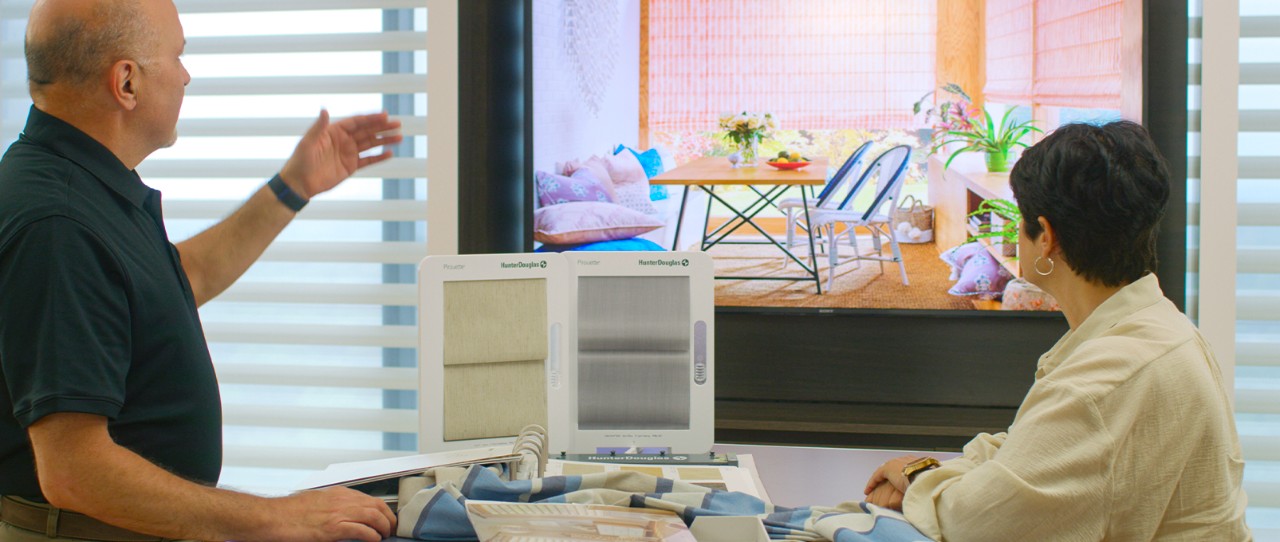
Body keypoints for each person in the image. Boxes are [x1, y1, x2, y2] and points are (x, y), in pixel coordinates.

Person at [0, 0, 403, 541]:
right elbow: (74, 470)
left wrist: (294, 186)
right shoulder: (61, 223)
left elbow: (177, 283)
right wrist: (276, 517)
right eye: (177, 56)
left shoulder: (78, 185)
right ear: (127, 82)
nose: (187, 76)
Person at [862, 121, 1252, 540]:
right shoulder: (1158, 329)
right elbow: (1022, 458)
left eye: (1021, 218)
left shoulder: (1103, 383)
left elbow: (977, 523)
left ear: (1045, 237)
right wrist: (929, 475)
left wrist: (916, 478)